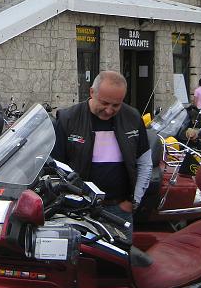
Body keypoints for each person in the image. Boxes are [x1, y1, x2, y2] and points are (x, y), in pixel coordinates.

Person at [52, 70, 152, 236]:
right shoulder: (68, 119)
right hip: (78, 209)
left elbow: (144, 162)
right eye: (104, 103)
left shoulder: (133, 118)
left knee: (119, 259)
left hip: (118, 208)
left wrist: (133, 202)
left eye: (116, 105)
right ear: (92, 92)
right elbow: (56, 165)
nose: (109, 110)